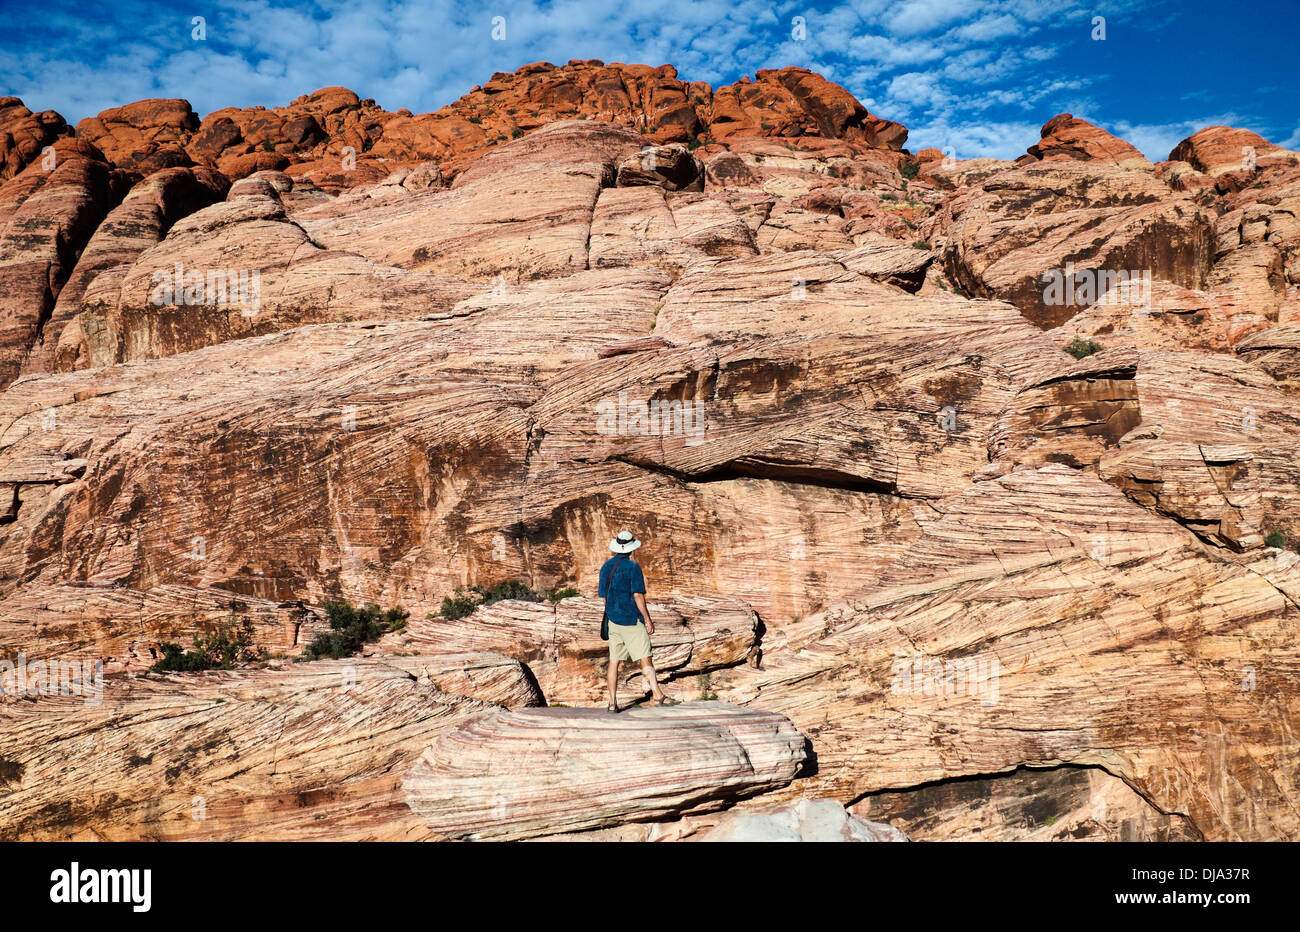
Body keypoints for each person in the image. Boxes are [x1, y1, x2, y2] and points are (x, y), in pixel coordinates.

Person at [598, 530, 679, 712]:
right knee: (645, 658)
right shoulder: (632, 567)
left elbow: (604, 598)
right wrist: (647, 619)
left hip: (613, 621)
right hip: (631, 620)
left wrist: (612, 612)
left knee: (614, 661)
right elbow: (637, 595)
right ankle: (658, 696)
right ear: (631, 549)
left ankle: (612, 703)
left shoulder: (606, 567)